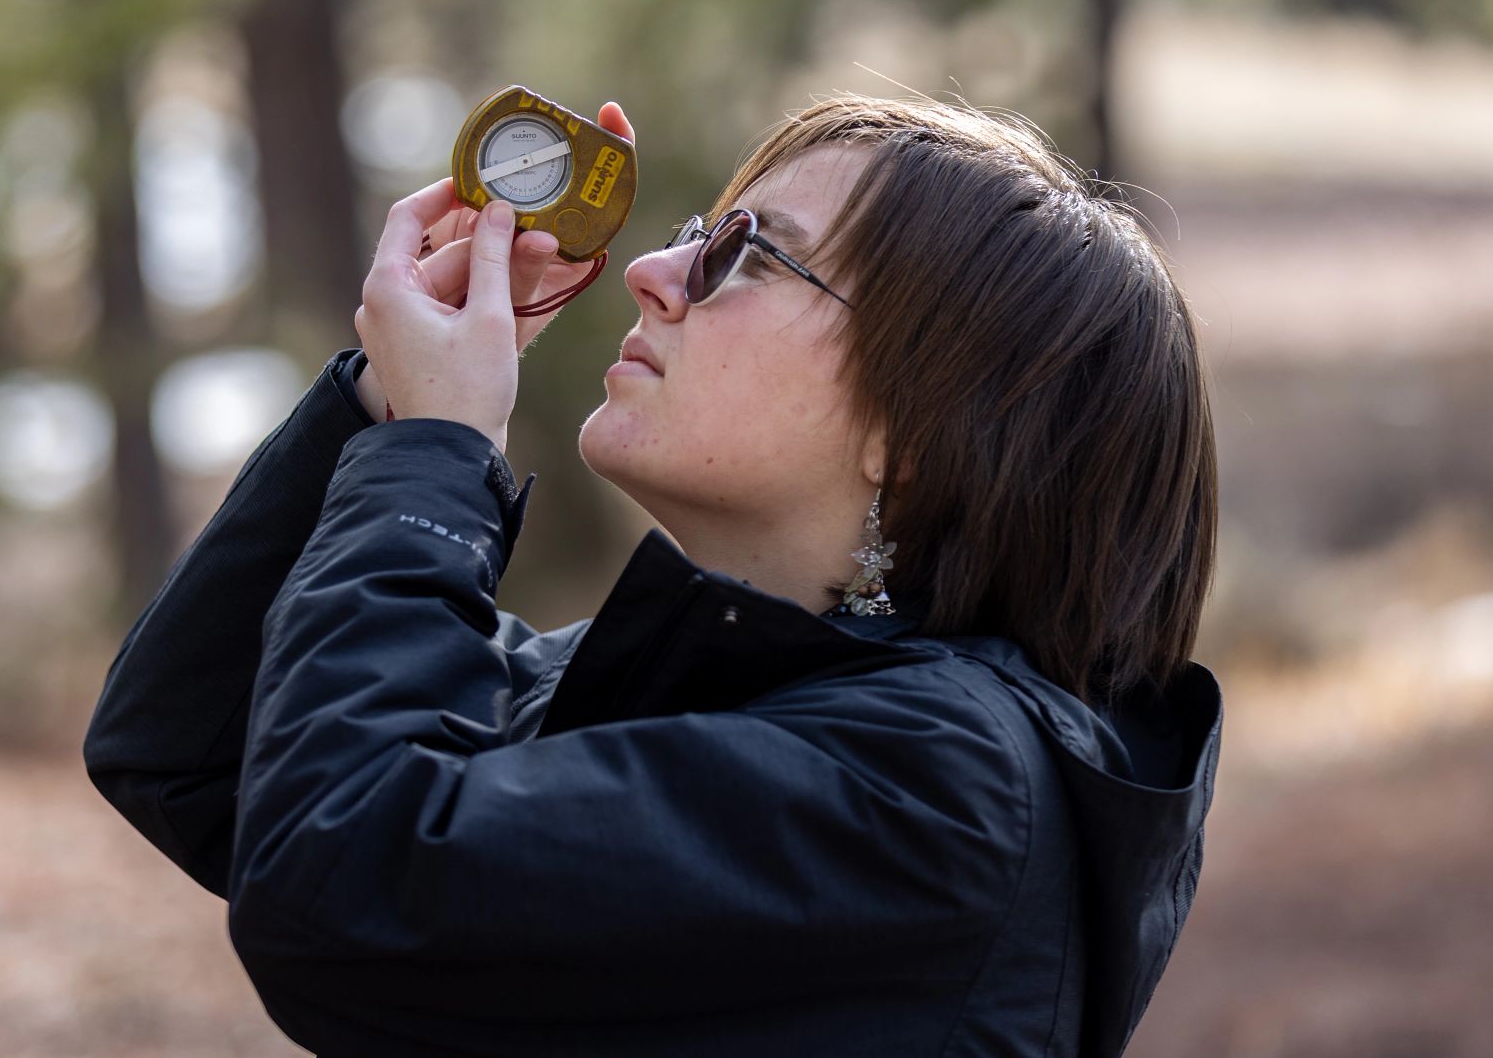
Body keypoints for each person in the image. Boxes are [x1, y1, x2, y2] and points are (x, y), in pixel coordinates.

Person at [85, 94, 1222, 1056]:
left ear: (919, 429)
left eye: (745, 253)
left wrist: (434, 455)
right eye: (694, 229)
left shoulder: (938, 788)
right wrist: (382, 407)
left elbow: (346, 887)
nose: (650, 271)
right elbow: (189, 750)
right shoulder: (720, 697)